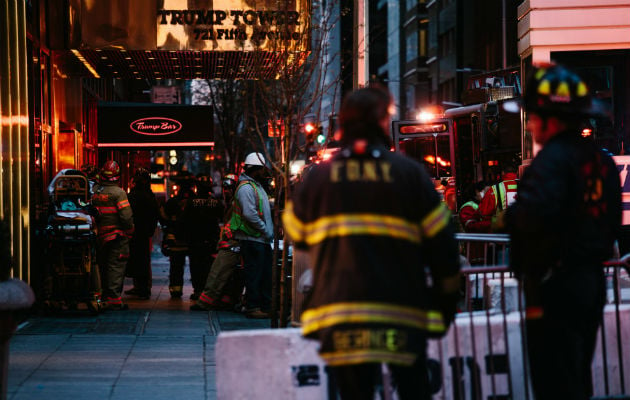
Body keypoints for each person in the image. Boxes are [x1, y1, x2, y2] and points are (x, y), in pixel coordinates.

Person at [282, 86, 461, 399]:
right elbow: (443, 248)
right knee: (413, 390)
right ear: (382, 120)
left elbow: (297, 233)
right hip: (402, 314)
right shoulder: (410, 175)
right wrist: (445, 304)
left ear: (344, 125)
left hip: (341, 317)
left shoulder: (319, 178)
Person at [504, 64, 621, 400]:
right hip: (590, 285)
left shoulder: (549, 163)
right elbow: (610, 221)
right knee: (577, 374)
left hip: (554, 288)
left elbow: (533, 219)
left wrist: (513, 222)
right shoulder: (601, 162)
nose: (528, 124)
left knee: (554, 378)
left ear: (551, 118)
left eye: (532, 115)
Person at [190, 174, 243, 311]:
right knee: (230, 276)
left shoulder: (235, 202)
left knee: (217, 273)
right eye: (225, 188)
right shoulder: (224, 203)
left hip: (229, 245)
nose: (226, 191)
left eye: (229, 188)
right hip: (226, 244)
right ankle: (227, 300)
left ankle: (205, 302)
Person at [230, 152, 274, 319]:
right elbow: (250, 214)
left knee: (263, 274)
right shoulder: (246, 188)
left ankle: (263, 306)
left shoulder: (257, 186)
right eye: (263, 169)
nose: (265, 173)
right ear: (255, 169)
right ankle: (253, 307)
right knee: (255, 274)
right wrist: (265, 229)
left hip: (261, 239)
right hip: (253, 239)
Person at [91, 160, 134, 310]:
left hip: (97, 236)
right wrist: (130, 231)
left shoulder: (95, 191)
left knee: (100, 265)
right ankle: (114, 299)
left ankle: (101, 296)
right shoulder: (119, 193)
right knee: (115, 266)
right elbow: (126, 217)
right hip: (116, 237)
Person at [181, 173, 223, 300]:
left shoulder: (190, 202)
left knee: (196, 266)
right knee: (209, 266)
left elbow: (184, 220)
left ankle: (198, 290)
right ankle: (207, 291)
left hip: (195, 240)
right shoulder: (216, 202)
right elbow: (221, 217)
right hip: (211, 240)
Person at [125, 168, 159, 300]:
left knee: (135, 259)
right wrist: (151, 230)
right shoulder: (149, 196)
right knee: (144, 260)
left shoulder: (132, 196)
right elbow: (154, 215)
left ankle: (140, 287)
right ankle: (143, 287)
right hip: (144, 233)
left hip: (134, 232)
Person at [160, 175, 195, 298]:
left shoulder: (173, 201)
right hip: (193, 239)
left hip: (175, 240)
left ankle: (176, 290)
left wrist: (169, 229)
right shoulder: (196, 201)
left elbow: (163, 217)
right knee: (197, 266)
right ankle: (198, 290)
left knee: (176, 267)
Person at [478, 163, 518, 232]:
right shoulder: (527, 186)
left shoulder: (494, 189)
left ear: (502, 173)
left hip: (502, 233)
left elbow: (483, 212)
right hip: (523, 231)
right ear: (517, 172)